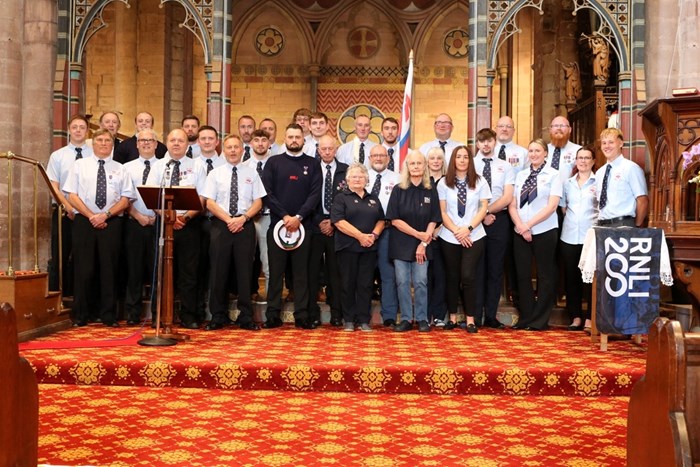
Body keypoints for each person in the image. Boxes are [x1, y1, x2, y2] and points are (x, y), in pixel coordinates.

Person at [64, 129, 135, 327]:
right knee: (84, 269)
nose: (104, 143)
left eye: (107, 140)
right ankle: (81, 314)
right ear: (92, 143)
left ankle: (108, 315)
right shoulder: (79, 166)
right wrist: (91, 215)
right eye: (100, 140)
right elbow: (72, 195)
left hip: (112, 222)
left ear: (112, 145)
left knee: (109, 268)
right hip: (84, 222)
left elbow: (126, 198)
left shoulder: (121, 169)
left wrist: (105, 215)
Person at [261, 123, 322, 329]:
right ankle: (272, 315)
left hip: (304, 227)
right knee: (275, 272)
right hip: (278, 226)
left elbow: (315, 194)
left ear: (303, 139)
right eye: (290, 137)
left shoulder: (313, 164)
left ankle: (302, 315)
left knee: (301, 273)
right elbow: (267, 193)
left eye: (298, 136)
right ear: (284, 139)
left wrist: (299, 216)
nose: (294, 140)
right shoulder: (273, 162)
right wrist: (286, 216)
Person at [202, 134, 265, 331]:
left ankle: (246, 316)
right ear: (224, 149)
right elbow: (209, 202)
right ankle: (217, 316)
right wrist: (229, 220)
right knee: (218, 271)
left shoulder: (252, 173)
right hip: (222, 224)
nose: (232, 151)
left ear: (242, 149)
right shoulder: (215, 174)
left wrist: (243, 218)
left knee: (245, 271)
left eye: (236, 147)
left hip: (244, 223)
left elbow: (258, 202)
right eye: (229, 147)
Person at [146, 128, 207, 329]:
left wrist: (185, 217)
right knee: (162, 271)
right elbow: (151, 195)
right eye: (172, 140)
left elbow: (202, 197)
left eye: (180, 140)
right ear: (166, 142)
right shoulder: (158, 166)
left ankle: (189, 316)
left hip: (189, 225)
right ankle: (159, 315)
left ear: (187, 144)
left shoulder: (197, 165)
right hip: (165, 225)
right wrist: (168, 217)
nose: (176, 144)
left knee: (188, 273)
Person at [509, 139, 563, 330]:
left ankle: (540, 320)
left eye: (537, 151)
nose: (533, 154)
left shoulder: (554, 175)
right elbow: (513, 204)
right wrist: (520, 225)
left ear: (545, 153)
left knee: (545, 275)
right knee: (522, 275)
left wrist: (528, 225)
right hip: (520, 230)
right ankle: (526, 317)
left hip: (544, 230)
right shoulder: (521, 174)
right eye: (531, 151)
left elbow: (552, 206)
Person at [438, 146, 491, 333]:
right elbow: (442, 211)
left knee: (468, 276)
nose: (462, 160)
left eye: (465, 157)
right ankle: (452, 317)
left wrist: (467, 229)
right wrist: (456, 231)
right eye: (458, 156)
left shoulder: (480, 181)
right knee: (452, 277)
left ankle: (470, 319)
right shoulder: (444, 183)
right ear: (453, 160)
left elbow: (483, 208)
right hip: (449, 235)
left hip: (474, 235)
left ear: (470, 160)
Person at [387, 150, 441, 332]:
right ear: (407, 167)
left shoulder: (431, 189)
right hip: (401, 242)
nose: (416, 166)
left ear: (424, 166)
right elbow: (394, 220)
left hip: (423, 246)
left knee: (420, 281)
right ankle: (407, 319)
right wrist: (419, 235)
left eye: (419, 163)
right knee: (402, 281)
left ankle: (422, 318)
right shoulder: (398, 189)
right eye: (412, 163)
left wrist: (423, 242)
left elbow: (434, 218)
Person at [331, 163, 385, 331]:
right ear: (347, 180)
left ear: (366, 179)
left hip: (369, 248)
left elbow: (381, 220)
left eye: (361, 176)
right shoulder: (341, 198)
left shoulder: (373, 198)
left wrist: (373, 236)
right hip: (347, 247)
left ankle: (363, 319)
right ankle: (348, 319)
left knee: (366, 284)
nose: (357, 179)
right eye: (354, 176)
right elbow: (339, 222)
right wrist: (360, 236)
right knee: (348, 284)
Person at [46, 114, 92, 295]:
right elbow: (54, 187)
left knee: (85, 258)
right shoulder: (58, 156)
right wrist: (68, 206)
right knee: (61, 255)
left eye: (82, 127)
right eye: (75, 127)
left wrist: (83, 210)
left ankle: (83, 298)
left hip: (88, 214)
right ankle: (60, 298)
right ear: (69, 130)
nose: (78, 130)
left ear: (87, 131)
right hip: (63, 212)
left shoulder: (94, 154)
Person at [473, 128, 514, 328]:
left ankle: (490, 315)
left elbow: (507, 197)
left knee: (495, 269)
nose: (486, 145)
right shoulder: (470, 164)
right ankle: (476, 315)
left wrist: (487, 212)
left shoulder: (505, 166)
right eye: (482, 141)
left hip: (499, 220)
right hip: (474, 222)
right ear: (477, 144)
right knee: (477, 269)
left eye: (489, 141)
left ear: (494, 142)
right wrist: (481, 216)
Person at [308, 135, 347, 327]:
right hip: (314, 227)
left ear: (336, 149)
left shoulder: (345, 171)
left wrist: (332, 221)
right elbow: (306, 198)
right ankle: (313, 313)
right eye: (323, 149)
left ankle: (337, 312)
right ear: (318, 150)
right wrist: (320, 221)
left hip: (338, 229)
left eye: (330, 148)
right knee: (312, 272)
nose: (327, 152)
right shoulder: (310, 170)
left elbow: (347, 200)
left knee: (335, 273)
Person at [122, 128, 159, 325]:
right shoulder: (126, 168)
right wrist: (138, 216)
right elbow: (123, 197)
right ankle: (133, 313)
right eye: (142, 140)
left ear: (156, 144)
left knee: (157, 271)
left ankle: (156, 314)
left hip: (158, 223)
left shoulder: (164, 166)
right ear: (136, 144)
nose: (146, 143)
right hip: (134, 223)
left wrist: (155, 216)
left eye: (150, 140)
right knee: (134, 270)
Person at [560, 146, 597, 331]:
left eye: (587, 158)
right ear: (575, 161)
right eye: (580, 158)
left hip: (590, 237)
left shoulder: (598, 182)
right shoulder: (568, 183)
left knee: (589, 279)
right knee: (571, 278)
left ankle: (590, 318)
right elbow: (564, 208)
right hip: (569, 236)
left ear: (593, 161)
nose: (583, 161)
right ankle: (575, 317)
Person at [194, 125, 226, 323]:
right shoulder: (191, 164)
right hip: (196, 221)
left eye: (210, 138)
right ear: (198, 141)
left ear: (217, 142)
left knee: (218, 268)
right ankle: (196, 310)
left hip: (219, 222)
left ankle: (217, 312)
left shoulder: (226, 164)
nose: (206, 141)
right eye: (203, 138)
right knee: (197, 267)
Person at [366, 145, 400, 326]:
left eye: (382, 155)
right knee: (364, 274)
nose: (378, 158)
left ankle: (389, 315)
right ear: (370, 158)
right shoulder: (362, 178)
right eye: (375, 155)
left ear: (388, 158)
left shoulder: (398, 178)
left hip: (389, 231)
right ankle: (362, 314)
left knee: (388, 274)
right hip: (364, 232)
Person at [595, 128, 648, 228]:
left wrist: (635, 225)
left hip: (623, 224)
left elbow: (642, 200)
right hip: (601, 225)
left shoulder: (631, 168)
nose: (607, 146)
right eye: (604, 143)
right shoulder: (599, 173)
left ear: (621, 143)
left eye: (611, 142)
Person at [243, 129, 273, 303]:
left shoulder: (276, 164)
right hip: (247, 218)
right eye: (257, 140)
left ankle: (271, 302)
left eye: (264, 140)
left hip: (268, 216)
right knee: (246, 260)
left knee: (268, 261)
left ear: (269, 143)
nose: (260, 143)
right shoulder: (243, 166)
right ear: (250, 143)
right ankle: (246, 297)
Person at [426, 147, 448, 327]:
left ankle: (439, 314)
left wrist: (438, 228)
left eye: (438, 158)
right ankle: (425, 314)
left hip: (444, 234)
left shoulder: (449, 181)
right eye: (431, 158)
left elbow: (451, 209)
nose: (435, 161)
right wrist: (428, 230)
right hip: (425, 235)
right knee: (425, 276)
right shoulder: (422, 181)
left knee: (441, 275)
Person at [547, 116, 581, 182]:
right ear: (550, 130)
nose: (559, 128)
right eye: (555, 125)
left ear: (570, 129)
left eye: (563, 125)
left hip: (569, 191)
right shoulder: (542, 150)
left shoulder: (578, 150)